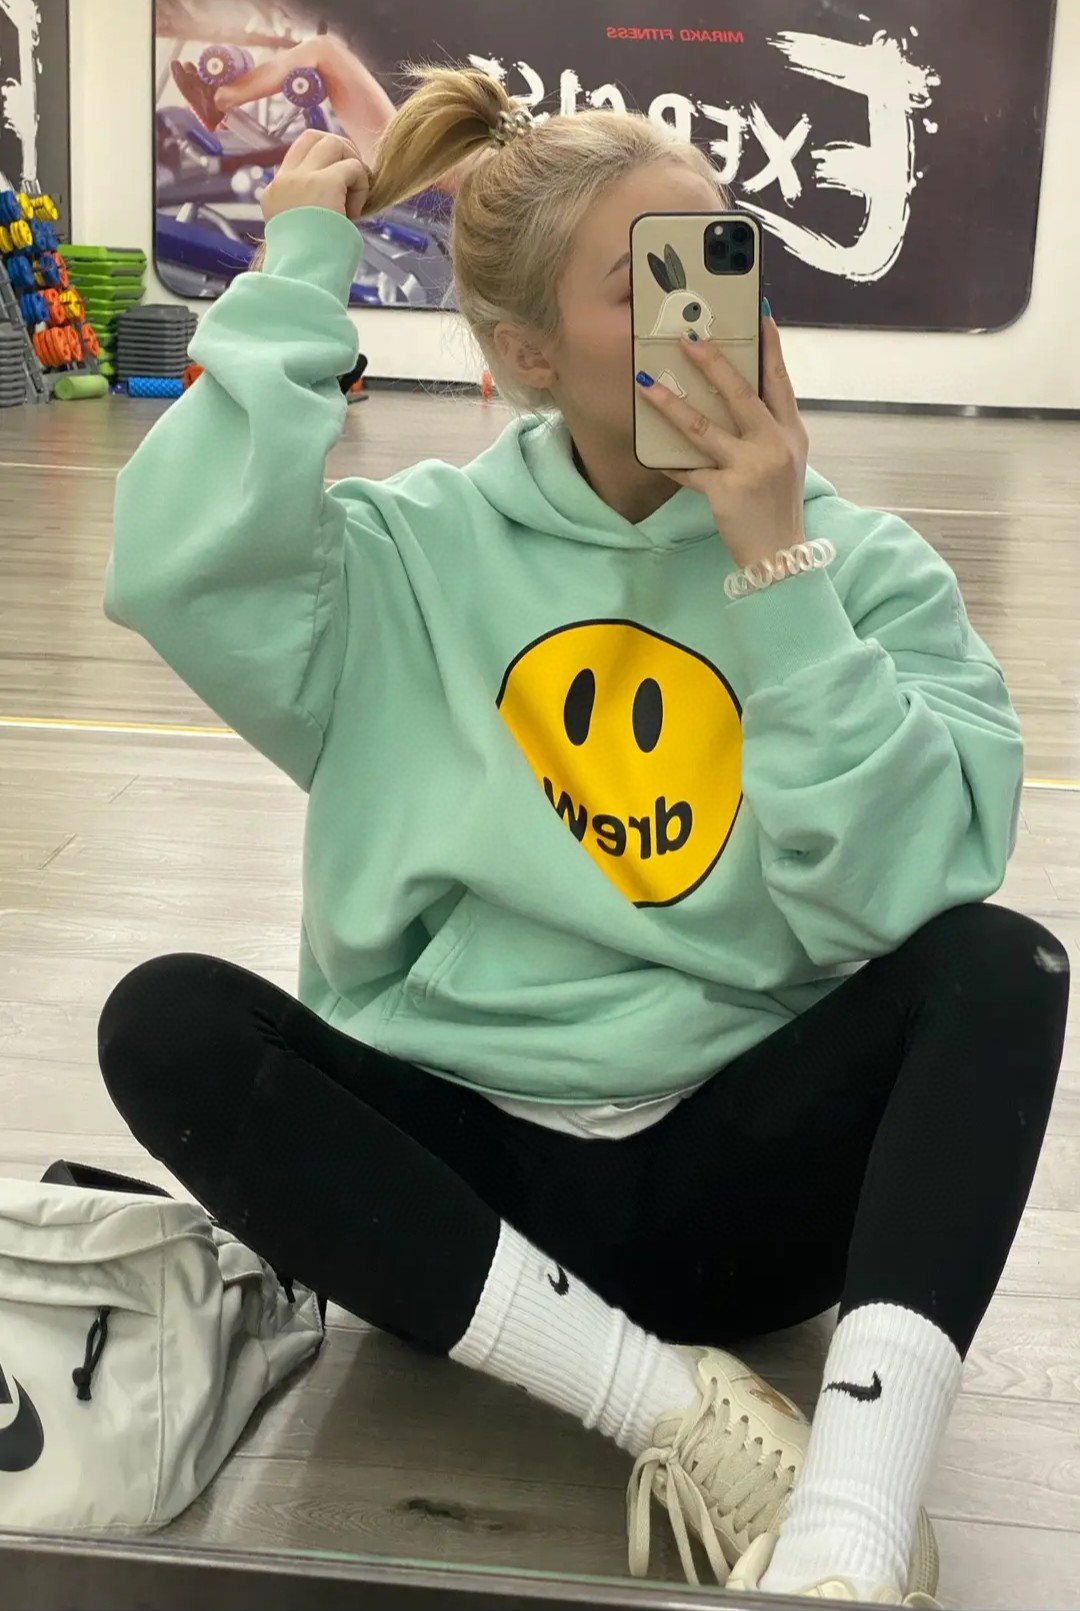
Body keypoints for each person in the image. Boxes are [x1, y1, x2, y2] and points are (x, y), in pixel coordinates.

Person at [98, 68, 1069, 1605]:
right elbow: (171, 565)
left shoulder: (867, 570)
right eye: (653, 280)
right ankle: (669, 1416)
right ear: (525, 354)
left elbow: (901, 910)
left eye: (727, 255)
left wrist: (776, 563)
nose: (716, 314)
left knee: (1004, 969)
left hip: (741, 1191)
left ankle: (848, 1530)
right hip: (463, 1192)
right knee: (166, 1021)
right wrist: (296, 275)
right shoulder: (403, 559)